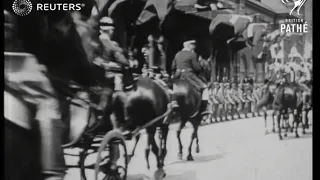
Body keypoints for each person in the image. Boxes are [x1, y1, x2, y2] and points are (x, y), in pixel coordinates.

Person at [95, 16, 133, 91]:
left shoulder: (96, 38)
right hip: (107, 69)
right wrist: (129, 63)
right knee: (120, 75)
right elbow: (120, 58)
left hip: (96, 68)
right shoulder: (111, 43)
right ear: (110, 30)